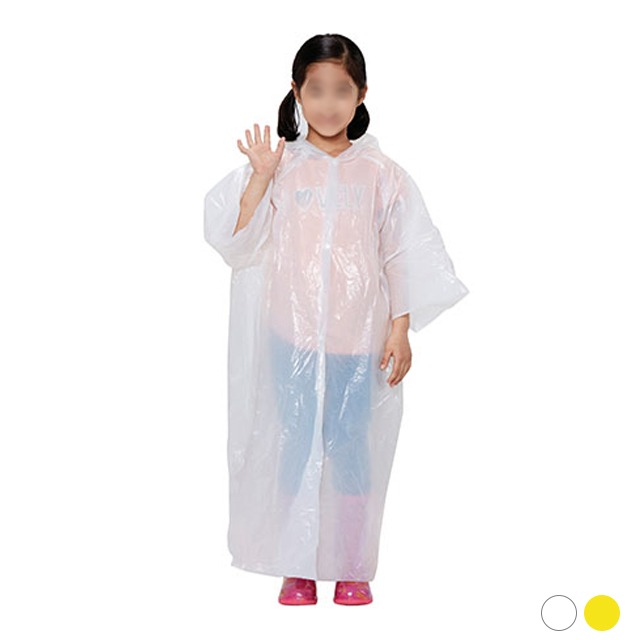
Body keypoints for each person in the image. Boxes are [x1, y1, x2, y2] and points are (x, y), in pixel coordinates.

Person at [203, 33, 469, 606]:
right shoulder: (282, 166)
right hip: (290, 336)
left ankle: (351, 564)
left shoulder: (382, 174)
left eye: (341, 90)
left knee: (352, 453)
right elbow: (237, 241)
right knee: (293, 445)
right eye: (316, 90)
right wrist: (260, 176)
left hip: (356, 339)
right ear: (296, 92)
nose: (328, 103)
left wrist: (399, 329)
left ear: (361, 94)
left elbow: (403, 253)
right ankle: (294, 565)